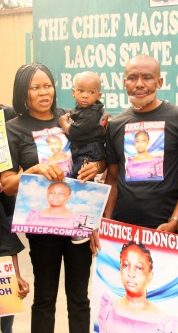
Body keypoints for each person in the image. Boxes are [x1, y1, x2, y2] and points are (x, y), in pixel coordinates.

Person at [0, 62, 103, 333]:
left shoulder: (71, 118)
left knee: (79, 299)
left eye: (48, 86)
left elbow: (97, 154)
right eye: (35, 88)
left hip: (78, 221)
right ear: (24, 92)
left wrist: (98, 166)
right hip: (42, 225)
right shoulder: (10, 129)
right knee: (44, 299)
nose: (44, 92)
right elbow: (7, 184)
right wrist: (33, 171)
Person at [91, 54, 178, 254]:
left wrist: (175, 221)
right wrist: (106, 221)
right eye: (133, 77)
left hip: (166, 232)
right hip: (122, 232)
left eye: (147, 77)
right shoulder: (116, 125)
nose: (139, 84)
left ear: (159, 82)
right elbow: (112, 178)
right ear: (125, 82)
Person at [98, 241, 178, 333]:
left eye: (139, 268)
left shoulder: (166, 322)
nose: (131, 273)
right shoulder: (108, 310)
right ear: (120, 269)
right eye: (126, 265)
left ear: (150, 275)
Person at [0, 106, 29, 333]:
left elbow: (7, 245)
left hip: (4, 207)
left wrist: (15, 275)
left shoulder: (6, 115)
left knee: (5, 304)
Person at [58, 71, 107, 179]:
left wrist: (63, 122)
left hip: (89, 151)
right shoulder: (81, 108)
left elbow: (73, 133)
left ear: (98, 96)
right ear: (73, 92)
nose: (85, 95)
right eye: (81, 91)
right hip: (82, 148)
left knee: (80, 175)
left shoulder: (91, 114)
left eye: (91, 92)